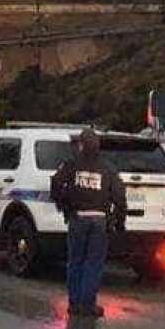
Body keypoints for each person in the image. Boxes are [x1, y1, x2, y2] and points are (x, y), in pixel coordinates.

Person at [50, 128, 125, 319]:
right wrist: (119, 222)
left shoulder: (72, 165)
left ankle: (75, 303)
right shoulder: (107, 167)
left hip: (78, 218)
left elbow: (56, 184)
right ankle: (88, 304)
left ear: (82, 145)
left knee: (75, 261)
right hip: (99, 220)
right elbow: (119, 196)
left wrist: (64, 206)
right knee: (93, 263)